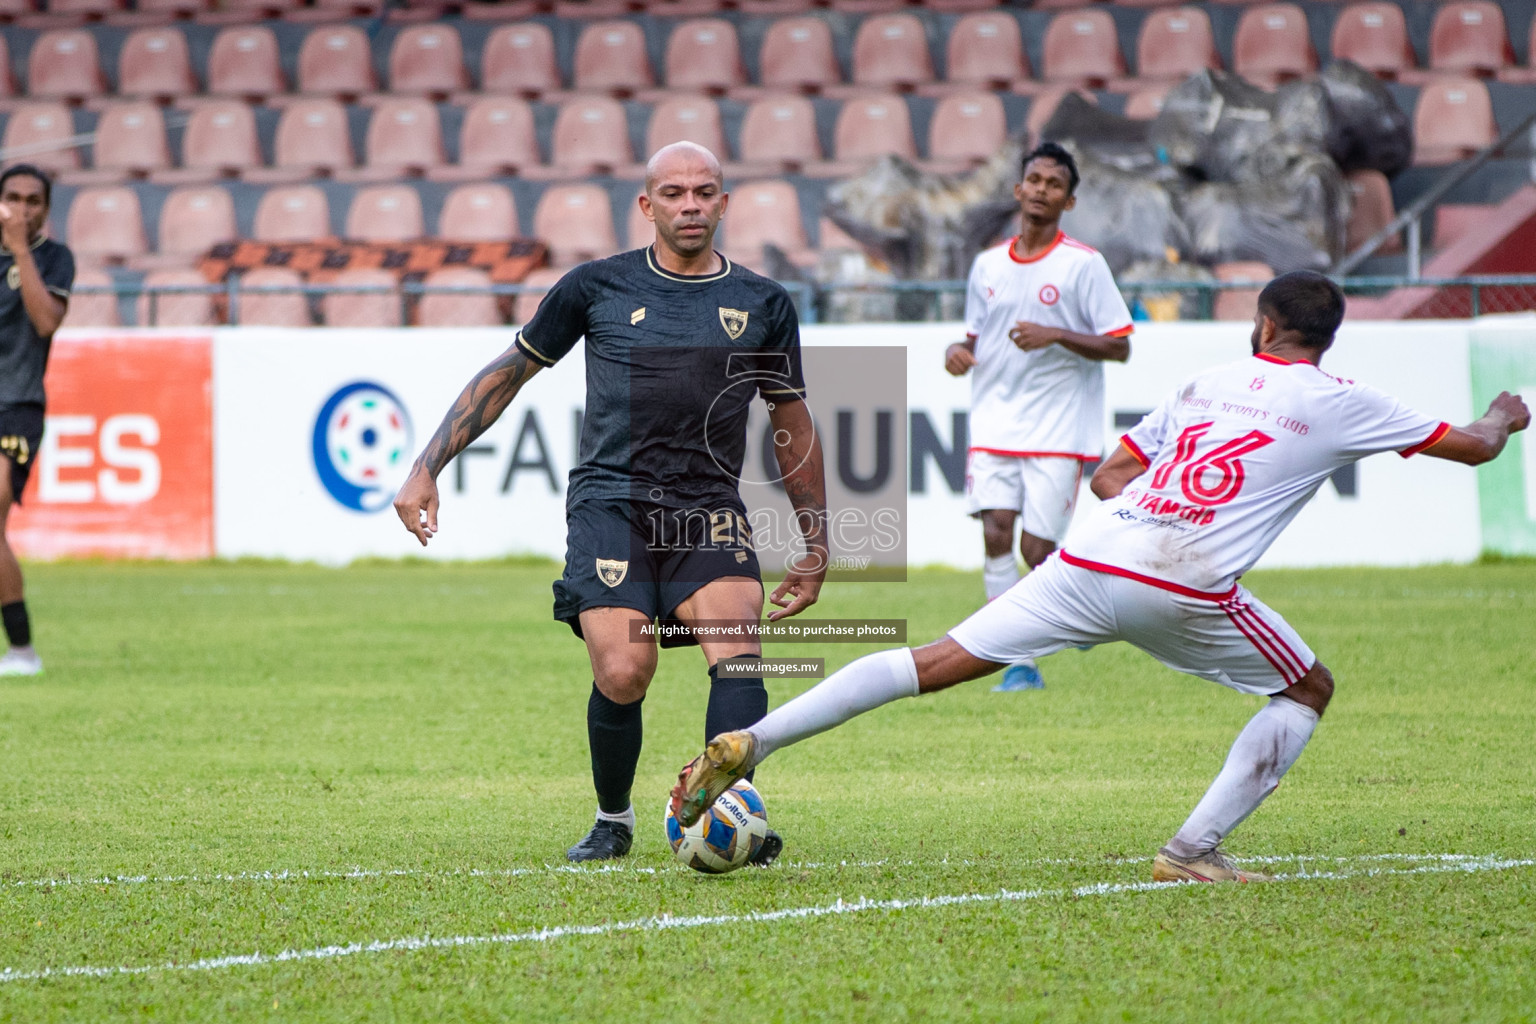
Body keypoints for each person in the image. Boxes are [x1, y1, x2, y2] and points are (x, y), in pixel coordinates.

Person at [673, 271, 1530, 884]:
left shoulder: (1210, 379)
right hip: (1187, 582)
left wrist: (1157, 509)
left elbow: (1113, 474)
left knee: (929, 662)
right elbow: (1476, 446)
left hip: (1094, 552)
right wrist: (1505, 410)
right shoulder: (1346, 399)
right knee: (1306, 688)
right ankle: (1191, 852)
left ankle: (759, 741)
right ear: (1321, 338)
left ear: (1263, 325)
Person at [394, 142, 828, 864]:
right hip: (612, 502)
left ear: (724, 202)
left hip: (708, 505)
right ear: (647, 205)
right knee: (625, 671)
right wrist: (427, 464)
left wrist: (814, 541)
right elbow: (509, 375)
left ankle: (722, 811)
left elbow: (790, 423)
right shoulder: (595, 287)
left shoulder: (764, 303)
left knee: (739, 648)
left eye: (704, 192)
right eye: (675, 193)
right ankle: (613, 818)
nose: (690, 205)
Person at [944, 142, 1133, 692]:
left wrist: (1056, 334)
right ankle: (1016, 660)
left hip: (1058, 428)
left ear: (1069, 201)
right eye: (1034, 179)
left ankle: (1076, 615)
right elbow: (973, 337)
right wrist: (956, 353)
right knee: (996, 533)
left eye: (1055, 184)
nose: (1042, 190)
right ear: (1017, 190)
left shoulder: (1083, 265)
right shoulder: (987, 265)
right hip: (994, 423)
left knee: (1037, 550)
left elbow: (1119, 346)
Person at [0, 165, 74, 677]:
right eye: (13, 199)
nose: (23, 209)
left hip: (16, 407)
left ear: (46, 208)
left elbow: (46, 321)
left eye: (33, 200)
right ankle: (21, 650)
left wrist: (19, 249)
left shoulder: (54, 257)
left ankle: (23, 650)